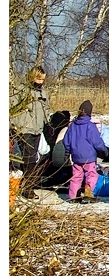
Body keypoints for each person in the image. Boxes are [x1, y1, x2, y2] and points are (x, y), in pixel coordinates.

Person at [10, 66, 51, 198]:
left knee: (33, 158)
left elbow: (46, 109)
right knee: (30, 159)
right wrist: (14, 125)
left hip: (37, 129)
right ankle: (28, 189)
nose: (40, 82)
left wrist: (48, 122)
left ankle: (27, 185)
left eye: (42, 80)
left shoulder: (43, 93)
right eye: (38, 79)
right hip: (24, 129)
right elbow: (12, 108)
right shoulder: (21, 91)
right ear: (32, 77)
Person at [62, 101, 106, 202]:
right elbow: (97, 141)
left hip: (76, 157)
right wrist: (103, 149)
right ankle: (88, 192)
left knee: (76, 176)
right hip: (89, 157)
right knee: (91, 174)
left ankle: (73, 196)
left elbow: (66, 141)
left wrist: (68, 152)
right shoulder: (90, 126)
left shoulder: (72, 126)